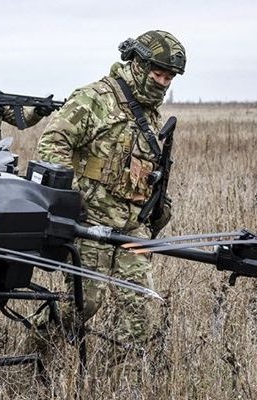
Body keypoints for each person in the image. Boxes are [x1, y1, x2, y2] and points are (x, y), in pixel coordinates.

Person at [35, 30, 186, 368]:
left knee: (139, 307)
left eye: (169, 77)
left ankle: (112, 379)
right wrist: (74, 198)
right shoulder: (94, 98)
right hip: (92, 223)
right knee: (84, 302)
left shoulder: (149, 112)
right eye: (157, 74)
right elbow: (51, 145)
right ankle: (38, 355)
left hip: (132, 225)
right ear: (137, 64)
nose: (162, 82)